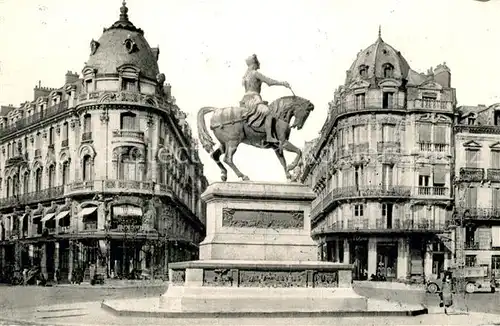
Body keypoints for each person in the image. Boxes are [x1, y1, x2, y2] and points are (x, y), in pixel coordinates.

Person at [240, 54, 291, 145]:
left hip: (246, 99)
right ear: (254, 64)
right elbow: (269, 82)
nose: (259, 63)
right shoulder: (255, 73)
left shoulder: (245, 76)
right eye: (257, 62)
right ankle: (269, 136)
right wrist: (282, 83)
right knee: (268, 112)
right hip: (254, 98)